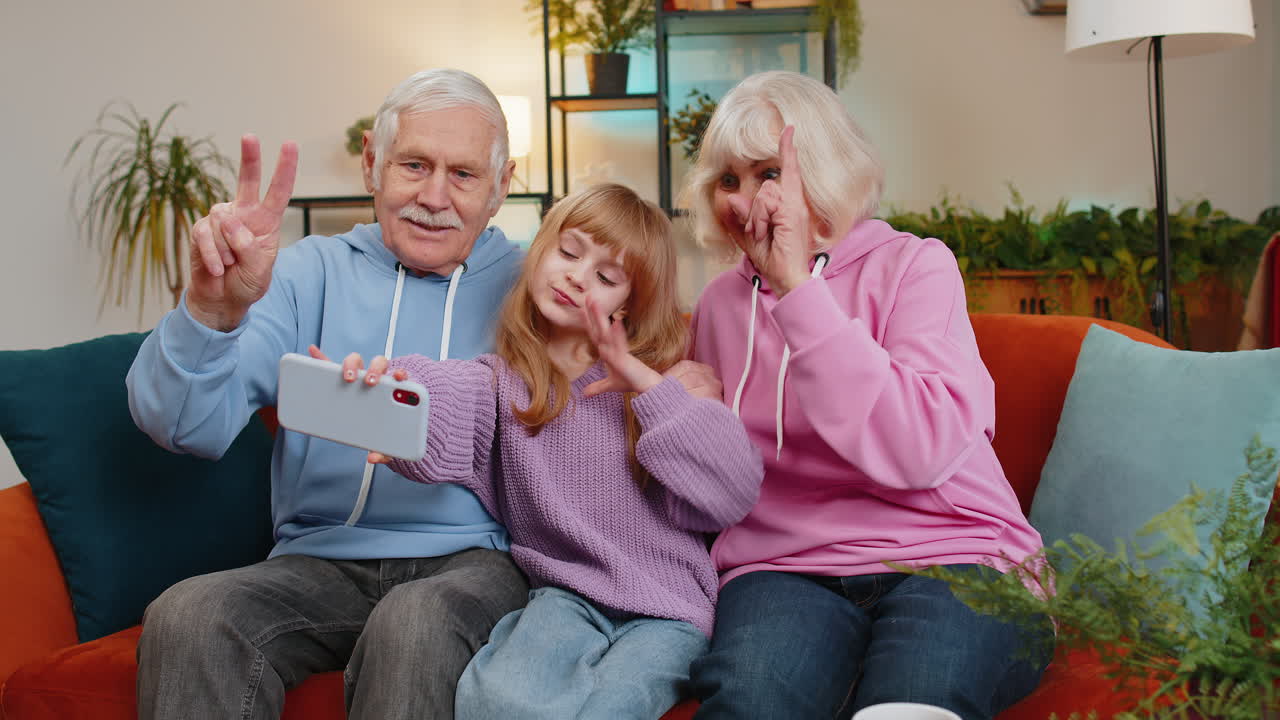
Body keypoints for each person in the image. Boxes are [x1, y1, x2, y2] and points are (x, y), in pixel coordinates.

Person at [126, 68, 531, 720]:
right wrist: (211, 312)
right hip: (318, 563)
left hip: (476, 563)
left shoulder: (536, 286)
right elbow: (182, 426)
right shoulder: (302, 273)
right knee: (188, 614)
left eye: (463, 174)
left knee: (414, 621)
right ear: (372, 162)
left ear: (500, 186)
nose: (434, 196)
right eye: (414, 165)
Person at [681, 71, 1054, 720]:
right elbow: (714, 486)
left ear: (824, 169)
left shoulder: (916, 266)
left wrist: (798, 293)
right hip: (784, 567)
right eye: (727, 179)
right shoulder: (718, 305)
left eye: (769, 173)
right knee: (747, 702)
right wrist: (677, 415)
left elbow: (920, 450)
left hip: (955, 552)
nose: (742, 201)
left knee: (915, 702)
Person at [322, 183, 764, 719]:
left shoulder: (665, 385)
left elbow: (733, 491)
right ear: (540, 249)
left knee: (607, 709)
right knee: (492, 697)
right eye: (569, 252)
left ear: (630, 302)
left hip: (669, 613)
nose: (577, 277)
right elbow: (442, 396)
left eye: (606, 277)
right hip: (563, 598)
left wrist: (647, 385)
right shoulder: (502, 384)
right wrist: (386, 395)